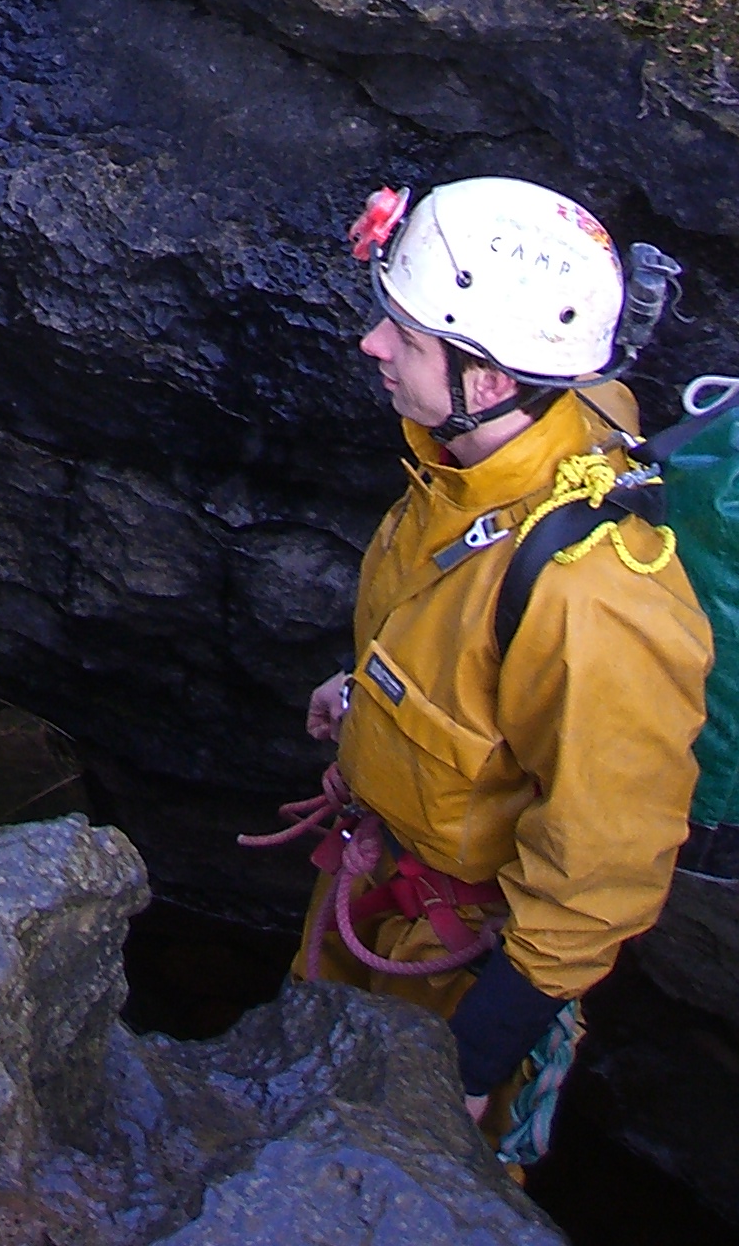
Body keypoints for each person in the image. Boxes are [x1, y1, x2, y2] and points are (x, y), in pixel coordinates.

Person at [266, 175, 711, 1166]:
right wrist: (369, 693)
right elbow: (449, 623)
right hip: (382, 880)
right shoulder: (467, 457)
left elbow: (605, 865)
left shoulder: (595, 604)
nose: (372, 345)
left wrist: (471, 1063)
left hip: (459, 963)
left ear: (498, 376)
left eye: (406, 336)